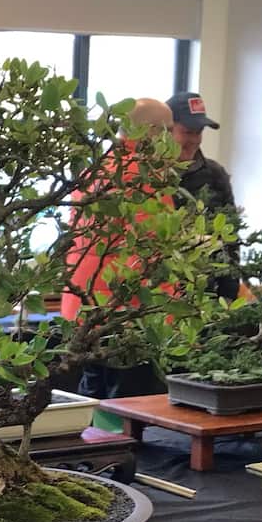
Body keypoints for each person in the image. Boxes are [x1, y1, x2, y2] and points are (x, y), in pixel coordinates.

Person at [62, 98, 175, 406]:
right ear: (151, 131)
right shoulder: (144, 179)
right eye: (168, 131)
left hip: (83, 308)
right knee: (130, 407)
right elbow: (152, 252)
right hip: (125, 311)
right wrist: (169, 313)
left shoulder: (95, 171)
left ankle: (95, 449)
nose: (173, 141)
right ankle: (117, 453)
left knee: (92, 397)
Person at [166, 91, 240, 299]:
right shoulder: (146, 177)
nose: (195, 140)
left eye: (198, 132)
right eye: (188, 132)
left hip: (205, 295)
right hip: (159, 296)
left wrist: (228, 298)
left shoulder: (215, 175)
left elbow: (230, 240)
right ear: (167, 130)